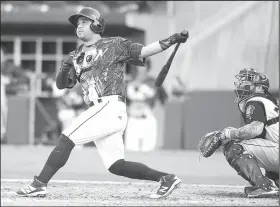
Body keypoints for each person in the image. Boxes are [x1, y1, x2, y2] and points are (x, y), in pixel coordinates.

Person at [16, 7, 188, 199]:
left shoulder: (113, 44)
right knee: (116, 165)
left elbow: (145, 51)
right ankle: (166, 178)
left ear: (96, 24)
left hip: (108, 106)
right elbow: (62, 85)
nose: (78, 26)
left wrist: (172, 40)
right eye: (77, 23)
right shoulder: (77, 54)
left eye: (83, 22)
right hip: (103, 111)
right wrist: (65, 68)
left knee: (67, 137)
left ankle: (39, 184)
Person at [218, 68, 279, 198]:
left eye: (247, 81)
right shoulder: (266, 101)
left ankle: (265, 186)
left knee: (234, 146)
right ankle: (276, 180)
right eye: (241, 80)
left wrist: (229, 133)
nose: (241, 84)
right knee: (256, 144)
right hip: (276, 150)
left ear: (260, 88)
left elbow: (255, 128)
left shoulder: (256, 100)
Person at [125, 60, 168, 151]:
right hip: (132, 120)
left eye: (142, 65)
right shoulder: (128, 83)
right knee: (131, 152)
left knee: (148, 152)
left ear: (148, 67)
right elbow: (122, 101)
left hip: (148, 120)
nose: (140, 68)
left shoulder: (155, 82)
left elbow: (165, 100)